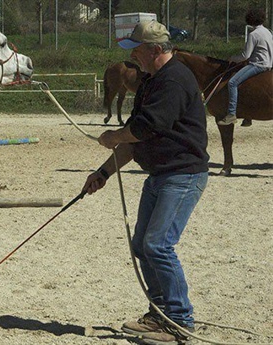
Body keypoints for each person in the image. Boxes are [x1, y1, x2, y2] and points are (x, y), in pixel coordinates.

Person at [84, 20, 209, 345]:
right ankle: (160, 313)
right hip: (161, 175)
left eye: (137, 51)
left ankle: (179, 321)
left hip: (182, 175)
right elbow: (134, 140)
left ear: (155, 50)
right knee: (142, 245)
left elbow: (141, 131)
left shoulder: (174, 80)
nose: (132, 57)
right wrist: (103, 173)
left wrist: (112, 135)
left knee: (158, 245)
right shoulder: (151, 80)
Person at [218, 8, 273, 127]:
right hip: (268, 64)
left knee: (232, 83)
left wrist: (232, 58)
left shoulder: (253, 34)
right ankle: (248, 116)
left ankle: (231, 114)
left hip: (257, 65)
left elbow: (245, 55)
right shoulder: (267, 31)